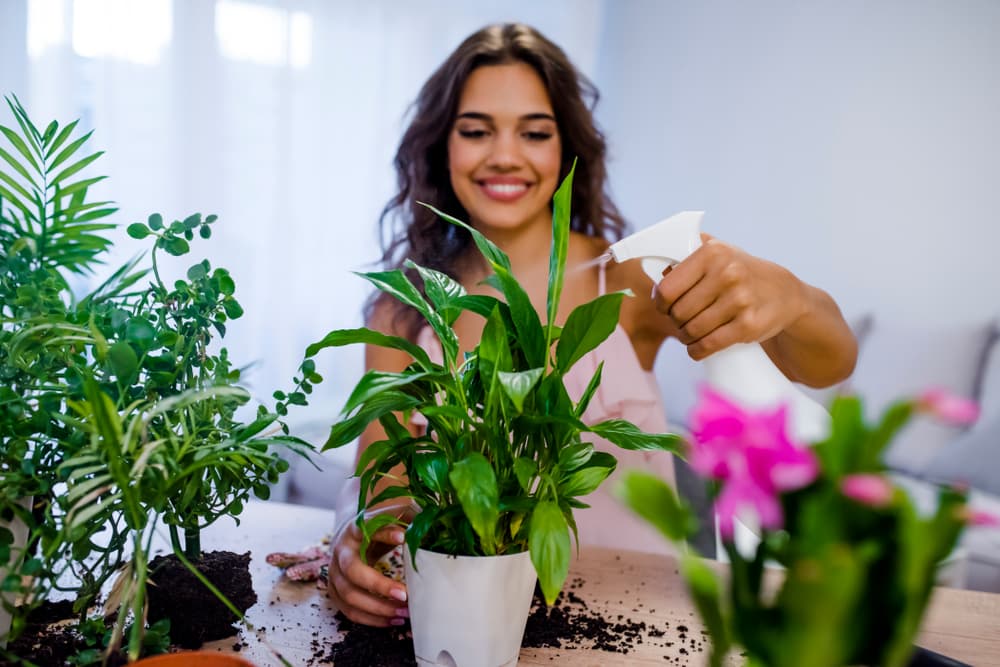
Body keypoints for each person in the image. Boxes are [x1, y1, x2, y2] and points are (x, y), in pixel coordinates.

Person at [292, 23, 858, 627]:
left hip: (641, 632)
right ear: (441, 147)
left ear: (567, 148)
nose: (505, 155)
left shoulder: (633, 281)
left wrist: (792, 297)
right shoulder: (404, 309)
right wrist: (358, 539)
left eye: (534, 132)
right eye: (476, 131)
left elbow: (825, 365)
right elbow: (384, 486)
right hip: (469, 626)